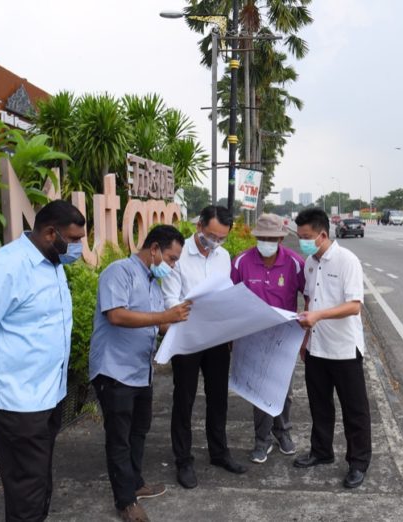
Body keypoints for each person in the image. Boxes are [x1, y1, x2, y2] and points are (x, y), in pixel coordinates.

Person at [0, 200, 86, 521]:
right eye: (73, 239)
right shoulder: (5, 267)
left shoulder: (51, 263)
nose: (78, 247)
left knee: (39, 480)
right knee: (27, 487)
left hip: (48, 394)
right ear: (49, 233)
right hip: (18, 400)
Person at [90, 225, 192, 522]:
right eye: (171, 258)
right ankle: (125, 501)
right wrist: (164, 317)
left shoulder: (152, 281)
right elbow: (116, 315)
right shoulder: (119, 272)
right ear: (155, 249)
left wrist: (194, 326)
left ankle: (135, 483)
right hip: (114, 371)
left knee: (139, 431)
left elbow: (160, 325)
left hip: (139, 371)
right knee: (119, 438)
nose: (172, 265)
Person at [161, 206, 247, 489]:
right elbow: (170, 300)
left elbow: (227, 292)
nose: (216, 243)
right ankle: (183, 460)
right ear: (199, 226)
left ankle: (219, 452)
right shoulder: (179, 254)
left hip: (217, 336)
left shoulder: (223, 257)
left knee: (218, 397)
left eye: (222, 238)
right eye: (212, 236)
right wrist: (192, 307)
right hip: (187, 337)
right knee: (184, 399)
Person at [292, 207, 372, 489]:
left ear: (322, 234)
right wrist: (305, 340)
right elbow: (309, 301)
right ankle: (321, 451)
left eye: (306, 236)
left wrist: (319, 316)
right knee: (319, 405)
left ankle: (358, 463)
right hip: (316, 348)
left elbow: (353, 306)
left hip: (344, 350)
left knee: (355, 410)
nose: (302, 241)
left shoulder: (347, 261)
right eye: (299, 236)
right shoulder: (310, 263)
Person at [231, 213, 306, 464]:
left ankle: (283, 432)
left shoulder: (295, 263)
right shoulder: (241, 262)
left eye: (272, 238)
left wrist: (306, 334)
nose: (267, 241)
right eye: (262, 237)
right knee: (258, 389)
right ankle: (261, 440)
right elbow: (228, 298)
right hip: (252, 336)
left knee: (283, 389)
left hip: (284, 337)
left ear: (281, 238)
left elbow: (310, 296)